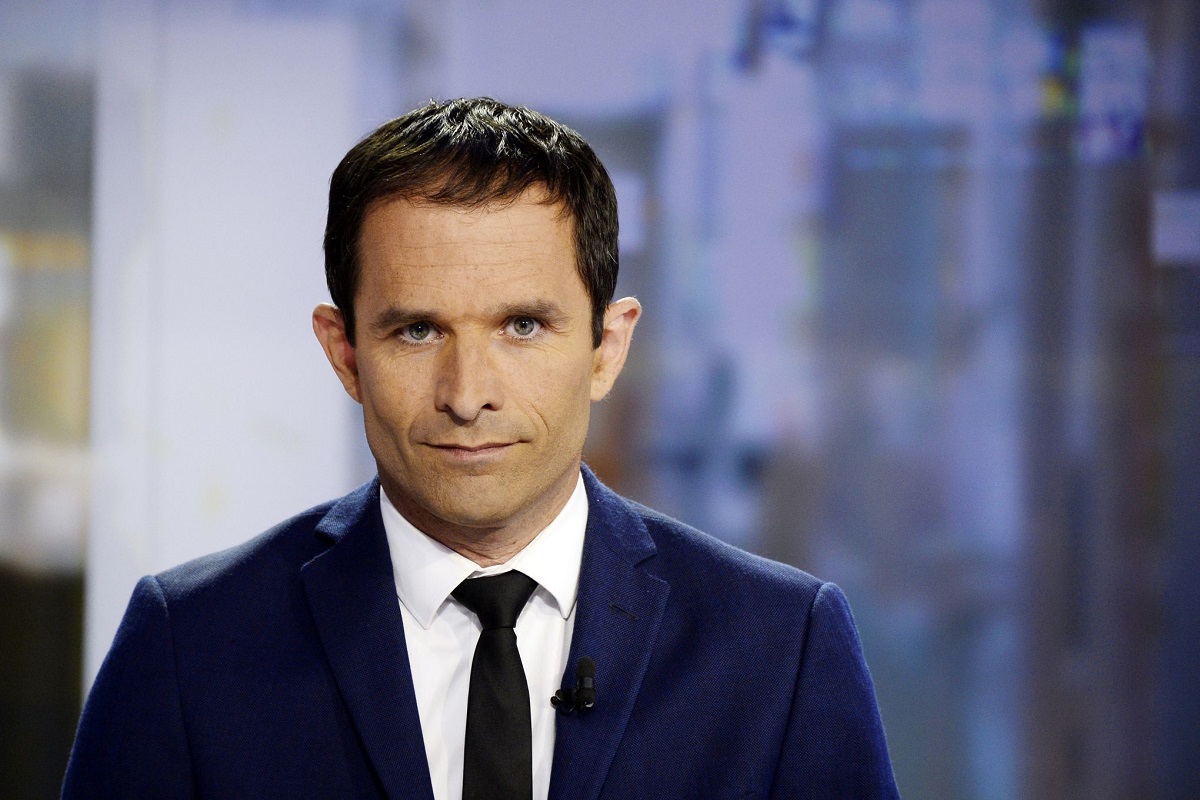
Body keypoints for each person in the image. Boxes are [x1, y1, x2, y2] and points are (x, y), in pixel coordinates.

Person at [63, 97, 899, 799]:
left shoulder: (781, 648)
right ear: (344, 353)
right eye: (417, 331)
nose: (468, 395)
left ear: (607, 348)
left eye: (523, 326)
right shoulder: (190, 646)